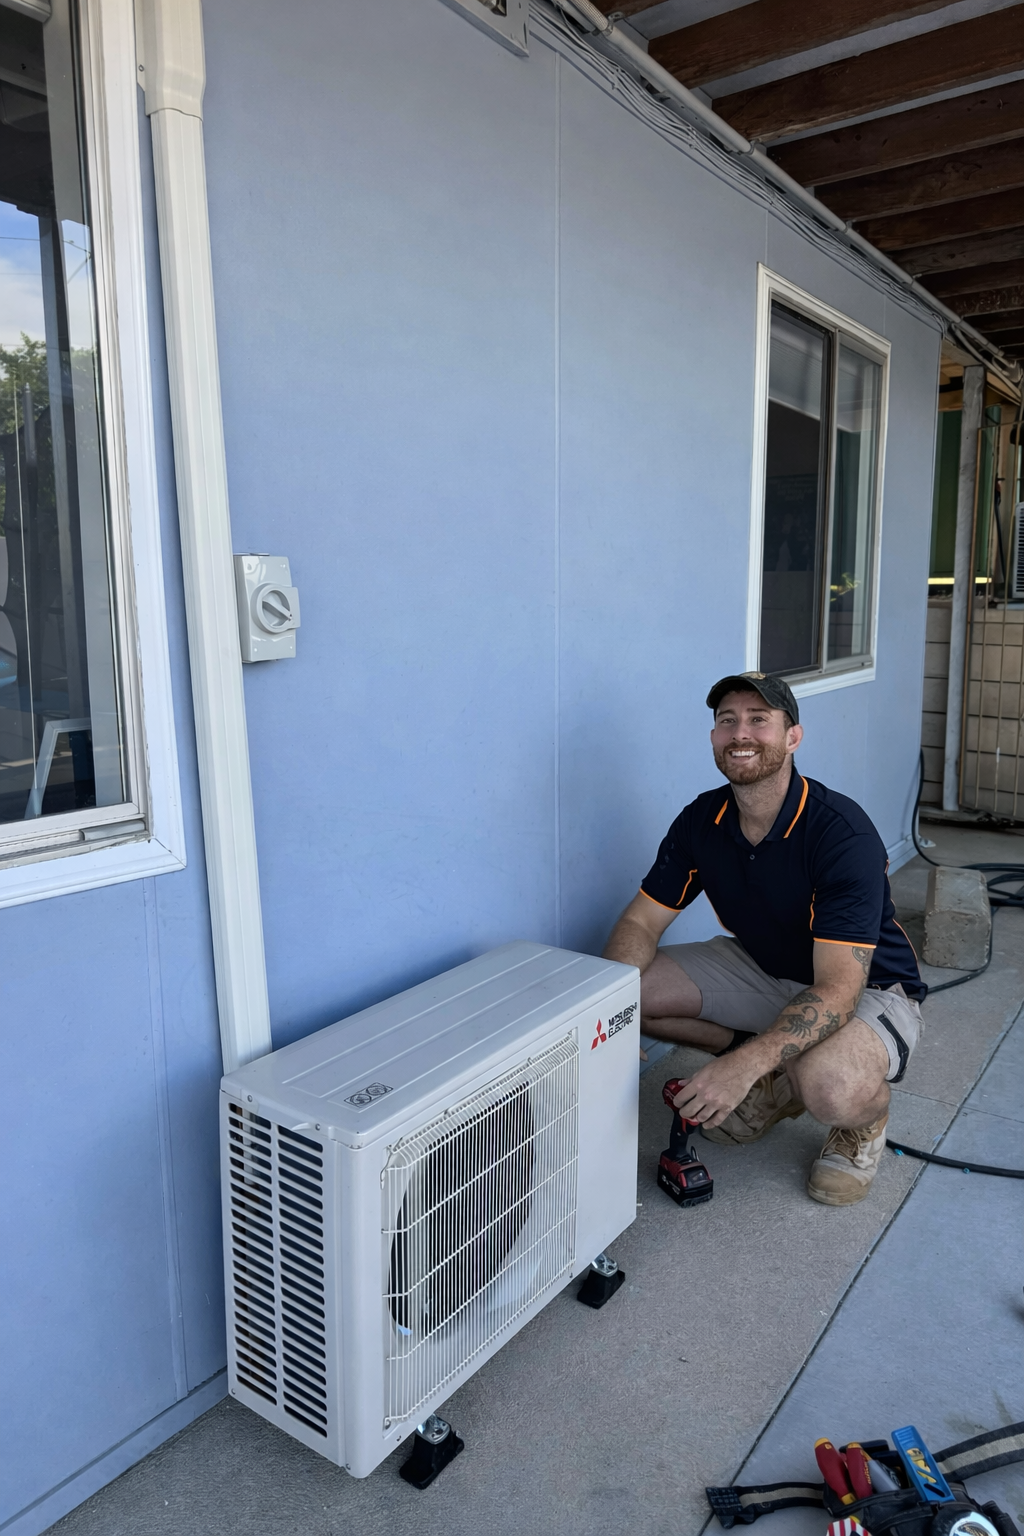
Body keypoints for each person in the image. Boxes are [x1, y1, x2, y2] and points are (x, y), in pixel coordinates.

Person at [603, 671, 925, 1206]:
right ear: (713, 738)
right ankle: (776, 1081)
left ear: (792, 737)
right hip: (761, 967)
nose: (740, 733)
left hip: (867, 988)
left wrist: (740, 1067)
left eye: (759, 720)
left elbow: (840, 990)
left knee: (829, 1083)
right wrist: (606, 1011)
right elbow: (640, 923)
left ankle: (861, 1124)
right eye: (727, 721)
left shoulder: (840, 834)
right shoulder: (701, 819)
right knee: (625, 995)